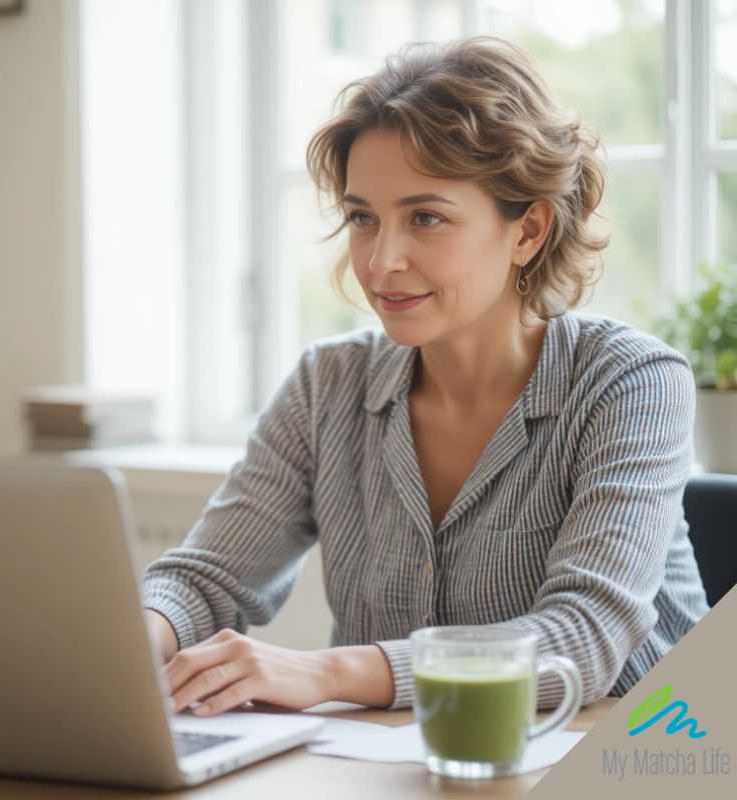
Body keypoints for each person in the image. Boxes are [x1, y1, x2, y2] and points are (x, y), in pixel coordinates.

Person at [141, 36, 709, 717]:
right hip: (394, 759)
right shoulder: (328, 385)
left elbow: (583, 639)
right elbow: (207, 577)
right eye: (363, 218)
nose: (381, 262)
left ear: (528, 230)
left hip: (633, 754)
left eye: (427, 218)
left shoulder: (632, 383)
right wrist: (134, 639)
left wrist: (327, 672)